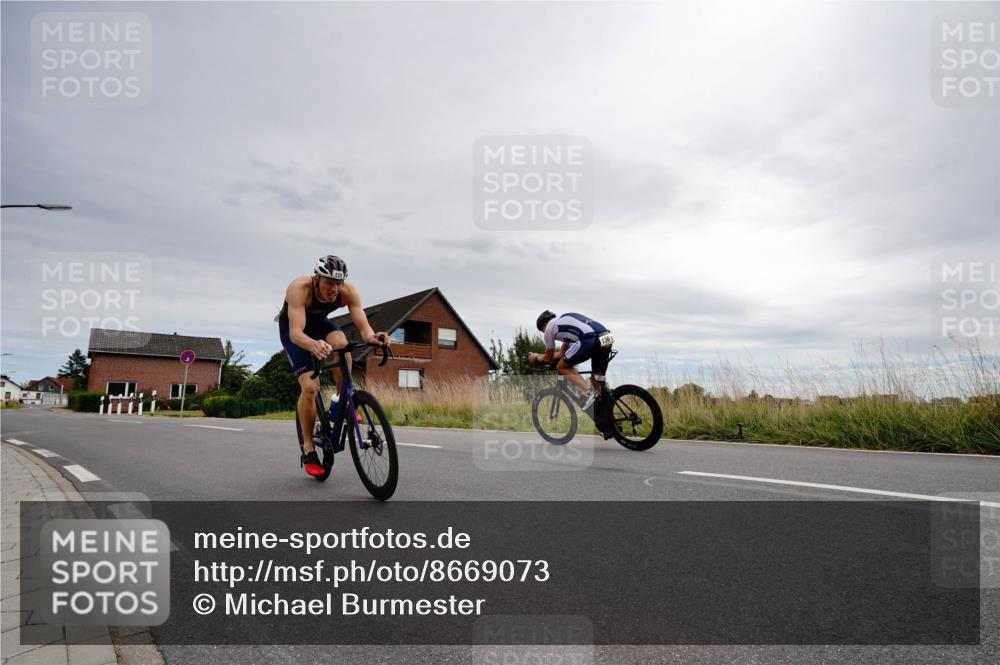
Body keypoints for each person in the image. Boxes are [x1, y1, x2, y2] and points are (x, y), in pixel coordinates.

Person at [278, 255, 389, 476]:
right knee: (310, 387)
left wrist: (373, 336)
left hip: (319, 325)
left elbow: (364, 328)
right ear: (317, 278)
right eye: (329, 282)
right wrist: (313, 345)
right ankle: (308, 448)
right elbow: (296, 333)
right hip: (296, 331)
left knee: (342, 345)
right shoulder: (299, 288)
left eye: (338, 283)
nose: (334, 289)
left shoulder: (348, 291)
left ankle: (341, 400)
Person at [527, 310, 614, 426]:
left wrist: (536, 358)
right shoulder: (566, 323)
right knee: (598, 382)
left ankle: (589, 392)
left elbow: (548, 358)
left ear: (544, 325)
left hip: (589, 339)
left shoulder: (549, 328)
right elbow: (560, 354)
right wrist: (539, 355)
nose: (544, 333)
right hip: (606, 336)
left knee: (561, 366)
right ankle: (612, 422)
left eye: (541, 331)